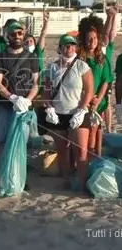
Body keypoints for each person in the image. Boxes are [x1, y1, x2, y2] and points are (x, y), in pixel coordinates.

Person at [0, 21, 39, 191]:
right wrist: (12, 98)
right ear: (7, 36)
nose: (17, 36)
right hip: (5, 106)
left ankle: (18, 179)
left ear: (23, 34)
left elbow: (36, 83)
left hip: (24, 109)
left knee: (21, 144)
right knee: (1, 143)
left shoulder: (32, 57)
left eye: (19, 33)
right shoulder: (0, 57)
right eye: (13, 34)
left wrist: (28, 100)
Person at [43, 34, 93, 191]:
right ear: (60, 48)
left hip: (77, 113)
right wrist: (49, 107)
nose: (69, 48)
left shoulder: (81, 66)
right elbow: (46, 90)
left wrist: (82, 109)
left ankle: (83, 183)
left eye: (72, 45)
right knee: (62, 151)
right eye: (66, 45)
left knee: (81, 151)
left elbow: (89, 90)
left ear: (76, 48)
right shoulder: (52, 67)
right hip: (58, 115)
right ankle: (67, 179)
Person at [77, 18, 111, 158]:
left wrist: (98, 99)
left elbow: (106, 80)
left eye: (95, 38)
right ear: (84, 40)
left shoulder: (102, 58)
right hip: (82, 100)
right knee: (82, 133)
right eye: (89, 39)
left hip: (98, 102)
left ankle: (93, 160)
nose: (92, 42)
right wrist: (88, 98)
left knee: (95, 132)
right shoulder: (79, 57)